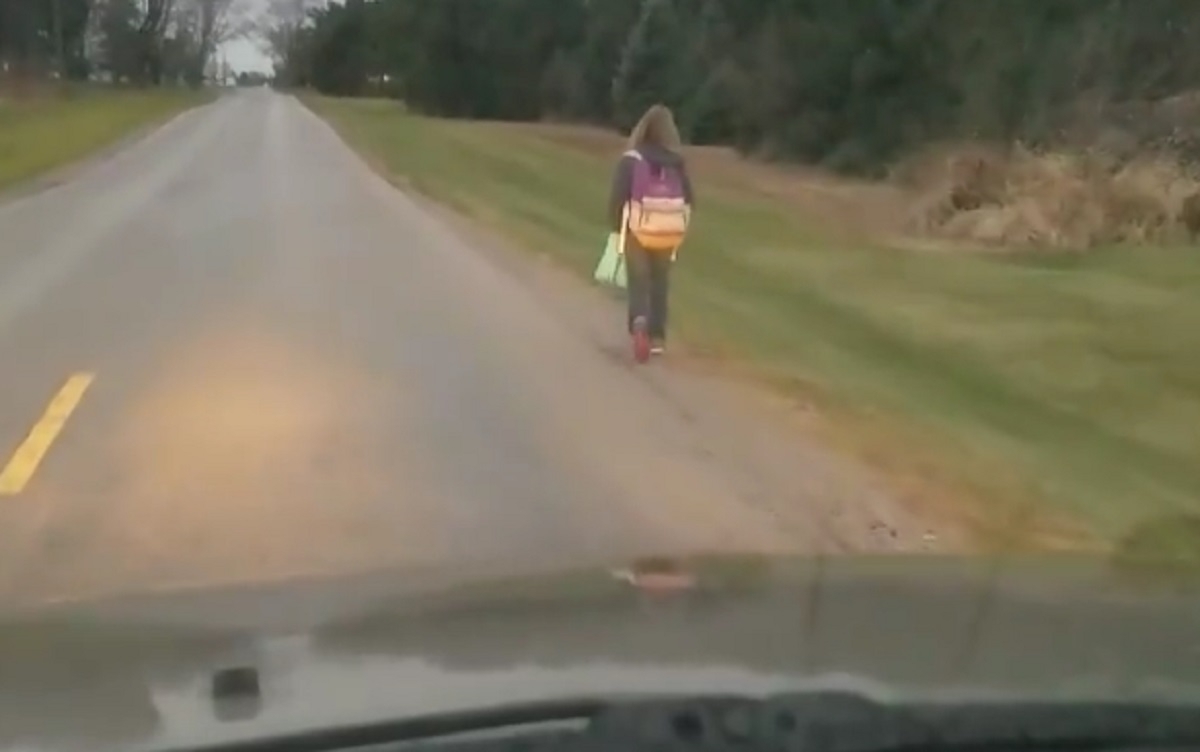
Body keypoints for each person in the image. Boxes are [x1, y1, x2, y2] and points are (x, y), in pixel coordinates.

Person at [608, 104, 694, 362]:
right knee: (660, 281)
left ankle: (639, 324)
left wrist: (617, 226)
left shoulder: (631, 160)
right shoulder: (677, 162)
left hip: (637, 228)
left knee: (639, 280)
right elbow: (689, 198)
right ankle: (657, 338)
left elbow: (618, 197)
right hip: (668, 231)